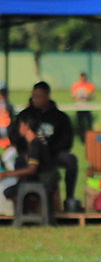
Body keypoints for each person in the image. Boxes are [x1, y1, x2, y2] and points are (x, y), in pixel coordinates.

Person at [12, 81, 79, 211]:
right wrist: (29, 152)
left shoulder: (60, 117)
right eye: (33, 96)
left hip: (53, 155)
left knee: (70, 160)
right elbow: (15, 136)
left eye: (38, 96)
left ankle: (69, 198)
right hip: (30, 154)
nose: (34, 99)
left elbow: (66, 141)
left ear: (47, 96)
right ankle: (25, 200)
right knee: (20, 161)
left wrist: (47, 151)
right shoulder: (26, 115)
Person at [2, 111, 59, 203]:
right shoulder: (40, 141)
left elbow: (32, 169)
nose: (18, 128)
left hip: (40, 183)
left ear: (26, 125)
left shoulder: (34, 145)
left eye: (20, 125)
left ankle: (28, 214)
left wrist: (6, 174)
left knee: (9, 192)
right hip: (45, 181)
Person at [70, 72, 95, 141]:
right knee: (80, 124)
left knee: (89, 123)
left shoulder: (89, 85)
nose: (83, 79)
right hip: (79, 107)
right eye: (82, 77)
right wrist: (80, 97)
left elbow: (92, 95)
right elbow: (73, 96)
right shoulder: (76, 86)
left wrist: (88, 96)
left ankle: (91, 137)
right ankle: (82, 138)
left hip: (87, 107)